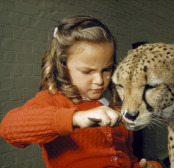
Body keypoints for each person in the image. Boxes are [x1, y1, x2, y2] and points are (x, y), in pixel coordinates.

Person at [0, 15, 162, 168]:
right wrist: (76, 118)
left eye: (106, 69)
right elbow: (9, 129)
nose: (99, 80)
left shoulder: (113, 107)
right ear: (63, 67)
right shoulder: (54, 101)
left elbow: (127, 158)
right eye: (87, 71)